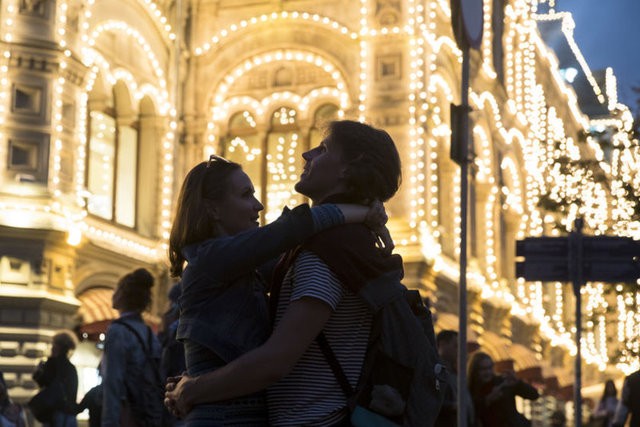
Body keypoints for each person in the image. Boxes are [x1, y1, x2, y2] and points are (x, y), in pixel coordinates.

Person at [165, 119, 403, 426]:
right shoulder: (324, 246)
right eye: (245, 195)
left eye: (323, 148)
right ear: (212, 209)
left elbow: (274, 362)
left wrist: (194, 389)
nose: (307, 154)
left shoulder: (328, 250)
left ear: (347, 168)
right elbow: (283, 234)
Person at [101, 268, 163, 427]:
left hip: (126, 416)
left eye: (116, 289)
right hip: (148, 415)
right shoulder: (149, 333)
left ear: (122, 294)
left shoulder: (117, 331)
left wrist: (109, 423)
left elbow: (113, 383)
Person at [467, 351, 539, 427]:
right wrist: (488, 399)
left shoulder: (502, 382)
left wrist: (518, 383)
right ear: (475, 370)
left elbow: (533, 395)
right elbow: (470, 412)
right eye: (483, 369)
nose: (488, 372)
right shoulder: (470, 389)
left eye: (490, 368)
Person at [32, 330, 79, 427]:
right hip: (68, 413)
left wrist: (39, 372)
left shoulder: (52, 364)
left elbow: (43, 382)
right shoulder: (71, 368)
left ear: (58, 346)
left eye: (53, 344)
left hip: (53, 412)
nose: (52, 347)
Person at [435, 330, 475, 427]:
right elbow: (431, 399)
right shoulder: (435, 370)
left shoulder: (456, 373)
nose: (460, 351)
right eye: (456, 346)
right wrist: (453, 406)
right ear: (442, 345)